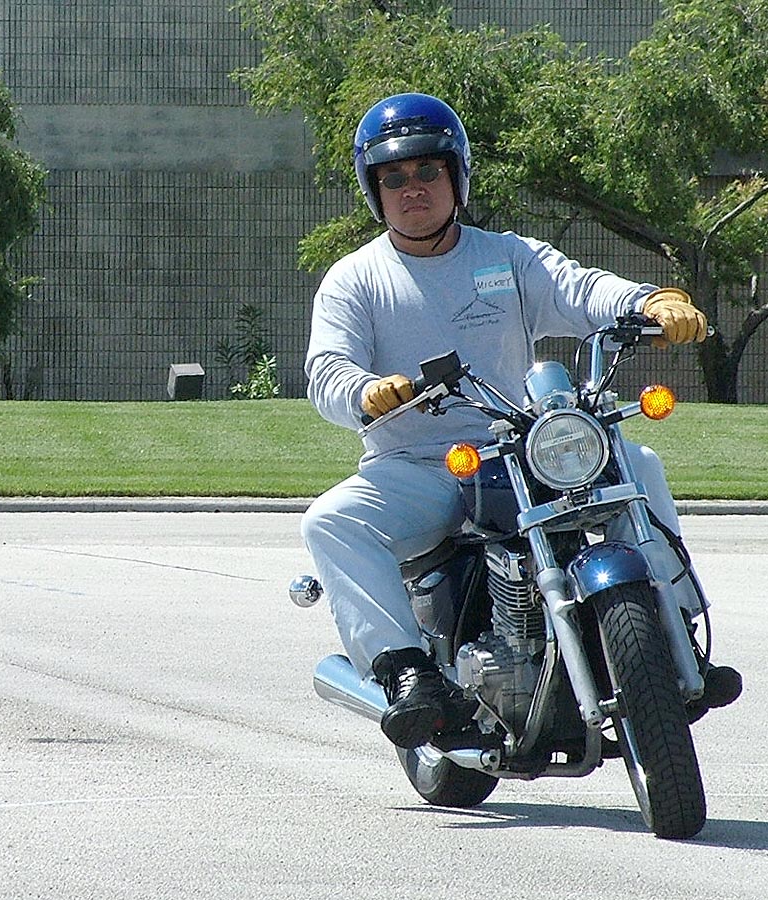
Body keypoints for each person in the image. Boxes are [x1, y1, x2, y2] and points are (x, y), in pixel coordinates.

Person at [300, 92, 739, 750]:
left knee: (638, 464)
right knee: (331, 521)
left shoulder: (505, 256)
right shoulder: (355, 279)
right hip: (418, 466)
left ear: (456, 175)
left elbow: (580, 289)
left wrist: (652, 299)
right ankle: (408, 672)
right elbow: (327, 370)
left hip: (518, 452)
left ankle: (675, 635)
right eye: (394, 177)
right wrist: (367, 392)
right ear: (373, 189)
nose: (413, 188)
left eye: (428, 171)